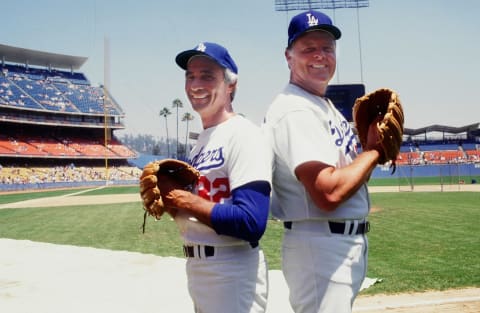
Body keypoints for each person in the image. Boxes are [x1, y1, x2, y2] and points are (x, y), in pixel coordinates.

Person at [262, 10, 383, 313]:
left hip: (334, 244)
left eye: (327, 48)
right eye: (308, 49)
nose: (320, 55)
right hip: (321, 245)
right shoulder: (296, 110)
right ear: (288, 57)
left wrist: (367, 150)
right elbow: (327, 192)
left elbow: (351, 178)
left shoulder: (321, 105)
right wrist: (373, 152)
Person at [163, 42, 272, 313]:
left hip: (231, 271)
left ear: (230, 85)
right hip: (201, 269)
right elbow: (204, 207)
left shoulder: (244, 134)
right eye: (190, 76)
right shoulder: (201, 142)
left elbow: (251, 221)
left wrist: (187, 201)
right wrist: (171, 204)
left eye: (207, 76)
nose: (196, 84)